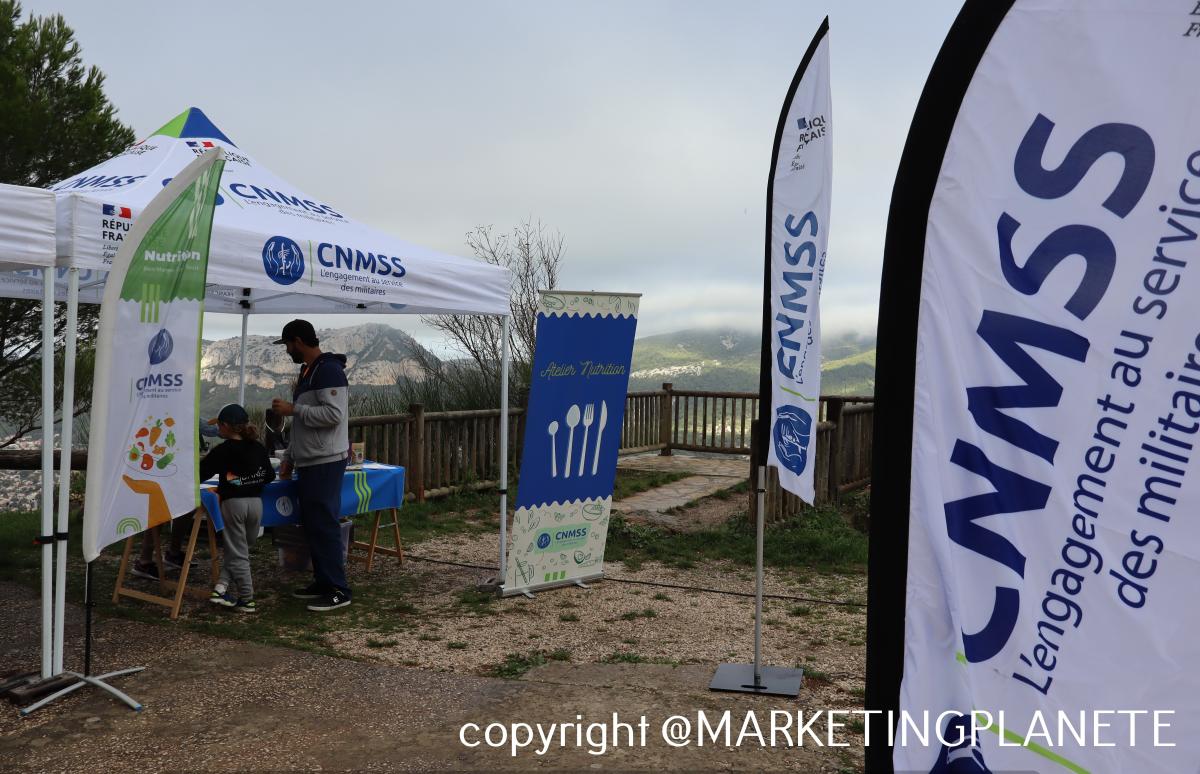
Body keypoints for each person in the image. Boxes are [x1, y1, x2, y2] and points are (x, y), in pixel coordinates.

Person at [270, 319, 352, 612]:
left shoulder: (328, 370)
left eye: (288, 345)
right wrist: (289, 458)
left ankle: (339, 590)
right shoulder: (308, 371)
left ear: (298, 341)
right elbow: (302, 426)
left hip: (325, 461)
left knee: (324, 524)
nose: (287, 351)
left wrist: (294, 409)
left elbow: (334, 415)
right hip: (309, 460)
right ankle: (323, 581)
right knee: (313, 525)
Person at [201, 403, 276, 613]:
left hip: (233, 505)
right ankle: (221, 588)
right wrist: (252, 480)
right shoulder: (258, 447)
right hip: (256, 505)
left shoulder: (223, 450)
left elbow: (200, 474)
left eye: (219, 426)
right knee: (240, 549)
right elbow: (270, 475)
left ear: (226, 426)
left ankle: (247, 598)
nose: (218, 430)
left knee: (238, 553)